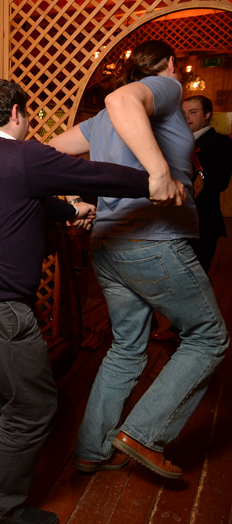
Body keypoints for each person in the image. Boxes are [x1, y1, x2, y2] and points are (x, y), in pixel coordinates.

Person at [0, 79, 152, 524]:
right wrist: (157, 179)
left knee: (7, 384)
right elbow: (96, 176)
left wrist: (72, 211)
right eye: (27, 115)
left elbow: (28, 202)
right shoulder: (21, 154)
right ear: (15, 113)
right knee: (34, 405)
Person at [49, 40, 228, 480]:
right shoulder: (166, 87)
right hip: (152, 240)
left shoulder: (101, 121)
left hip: (109, 247)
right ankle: (143, 434)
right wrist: (159, 173)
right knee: (209, 337)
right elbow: (120, 98)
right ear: (171, 64)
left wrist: (71, 202)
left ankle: (91, 450)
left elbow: (51, 151)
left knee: (127, 347)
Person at [183, 95, 232, 273]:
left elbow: (220, 182)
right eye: (183, 113)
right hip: (176, 221)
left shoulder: (221, 143)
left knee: (197, 276)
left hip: (203, 220)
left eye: (193, 112)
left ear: (207, 115)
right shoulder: (180, 141)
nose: (187, 117)